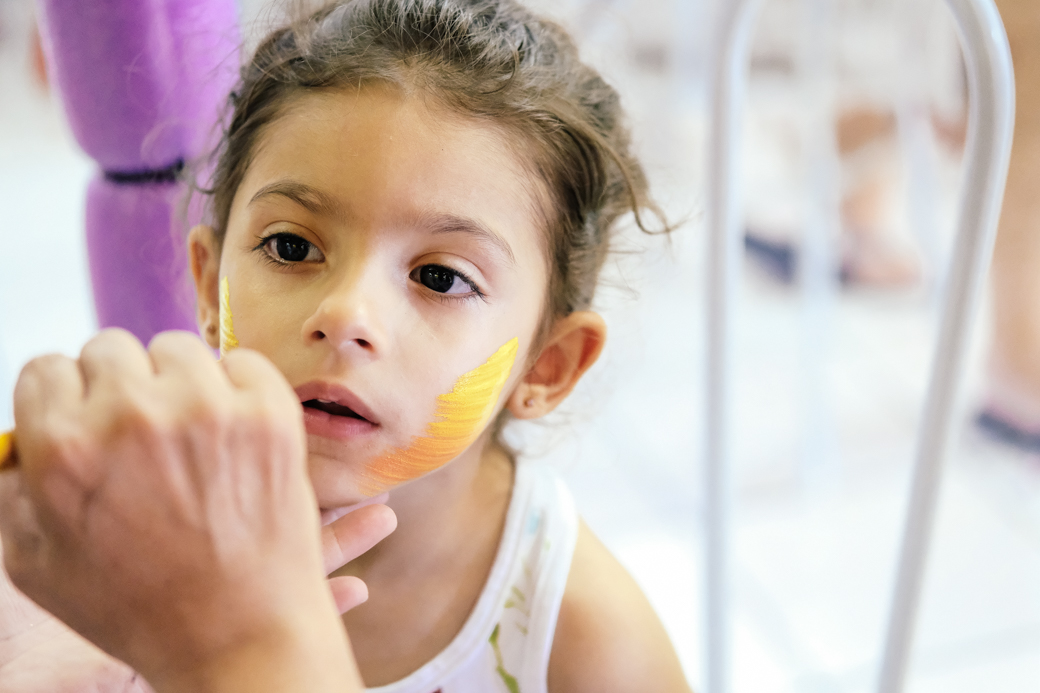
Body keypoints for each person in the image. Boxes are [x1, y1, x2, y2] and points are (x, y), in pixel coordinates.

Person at [1, 0, 691, 691]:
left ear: (548, 364)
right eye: (291, 246)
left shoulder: (588, 645)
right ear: (209, 291)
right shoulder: (114, 539)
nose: (346, 313)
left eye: (440, 277)